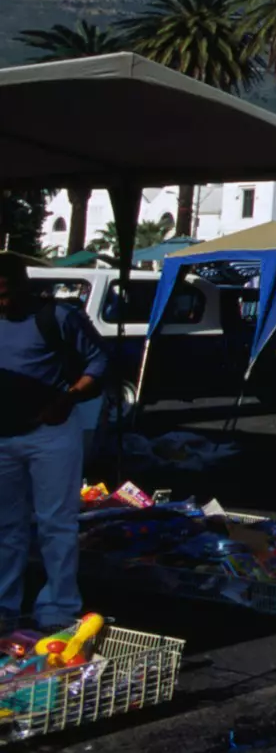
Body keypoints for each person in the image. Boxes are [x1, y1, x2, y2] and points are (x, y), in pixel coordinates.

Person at [0, 253, 108, 630]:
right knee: (5, 527)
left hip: (51, 434)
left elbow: (99, 362)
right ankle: (5, 606)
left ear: (23, 284)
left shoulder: (58, 317)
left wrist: (69, 397)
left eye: (7, 293)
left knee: (55, 523)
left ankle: (58, 607)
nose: (3, 304)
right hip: (4, 438)